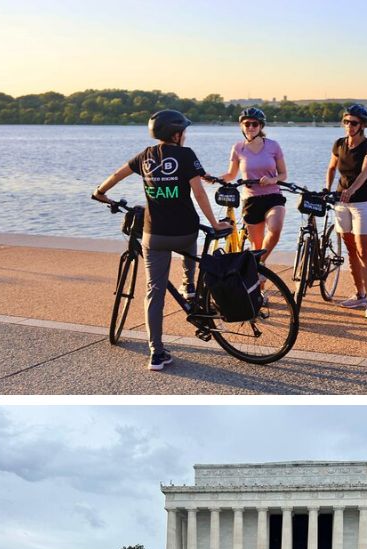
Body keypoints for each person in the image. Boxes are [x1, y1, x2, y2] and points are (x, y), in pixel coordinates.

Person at [93, 109, 231, 370]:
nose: (185, 136)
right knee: (191, 244)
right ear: (176, 134)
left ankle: (156, 353)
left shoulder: (145, 156)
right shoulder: (186, 155)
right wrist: (215, 223)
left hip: (154, 235)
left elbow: (116, 175)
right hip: (185, 231)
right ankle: (188, 285)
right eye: (184, 132)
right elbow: (199, 194)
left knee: (154, 292)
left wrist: (100, 193)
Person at [325, 104, 367, 319]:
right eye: (346, 122)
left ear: (363, 125)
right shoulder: (339, 144)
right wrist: (327, 189)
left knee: (363, 250)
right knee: (350, 249)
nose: (349, 126)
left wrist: (352, 190)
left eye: (354, 123)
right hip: (341, 202)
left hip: (363, 202)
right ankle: (359, 293)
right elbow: (331, 168)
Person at [217, 107, 288, 263]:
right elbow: (231, 175)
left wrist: (272, 180)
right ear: (242, 126)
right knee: (256, 245)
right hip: (251, 200)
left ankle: (260, 264)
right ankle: (257, 274)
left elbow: (283, 174)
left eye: (254, 124)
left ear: (261, 126)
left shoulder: (273, 146)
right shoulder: (238, 148)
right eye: (246, 124)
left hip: (273, 196)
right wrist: (214, 178)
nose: (250, 127)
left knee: (275, 229)